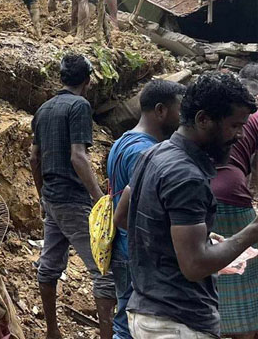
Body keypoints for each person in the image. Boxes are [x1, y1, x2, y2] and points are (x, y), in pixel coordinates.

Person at [115, 72, 258, 339]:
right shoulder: (187, 176)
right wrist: (252, 231)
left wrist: (185, 239)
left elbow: (123, 216)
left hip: (145, 313)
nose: (240, 136)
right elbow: (194, 266)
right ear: (203, 119)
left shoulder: (154, 154)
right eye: (234, 126)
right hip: (177, 322)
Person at [30, 53, 116, 339]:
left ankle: (52, 331)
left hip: (52, 198)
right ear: (88, 81)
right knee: (104, 271)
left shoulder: (43, 109)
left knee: (49, 266)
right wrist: (100, 198)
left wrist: (42, 195)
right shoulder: (79, 106)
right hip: (72, 199)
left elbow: (34, 158)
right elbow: (78, 157)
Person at [106, 79, 186, 339]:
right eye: (180, 110)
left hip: (123, 248)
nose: (183, 118)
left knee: (125, 317)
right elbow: (133, 208)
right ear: (161, 110)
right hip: (135, 251)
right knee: (129, 323)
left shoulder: (122, 142)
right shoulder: (146, 151)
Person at [210, 69, 258, 339]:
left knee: (215, 267)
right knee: (246, 274)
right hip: (233, 196)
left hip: (199, 192)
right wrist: (253, 192)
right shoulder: (253, 115)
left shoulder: (216, 110)